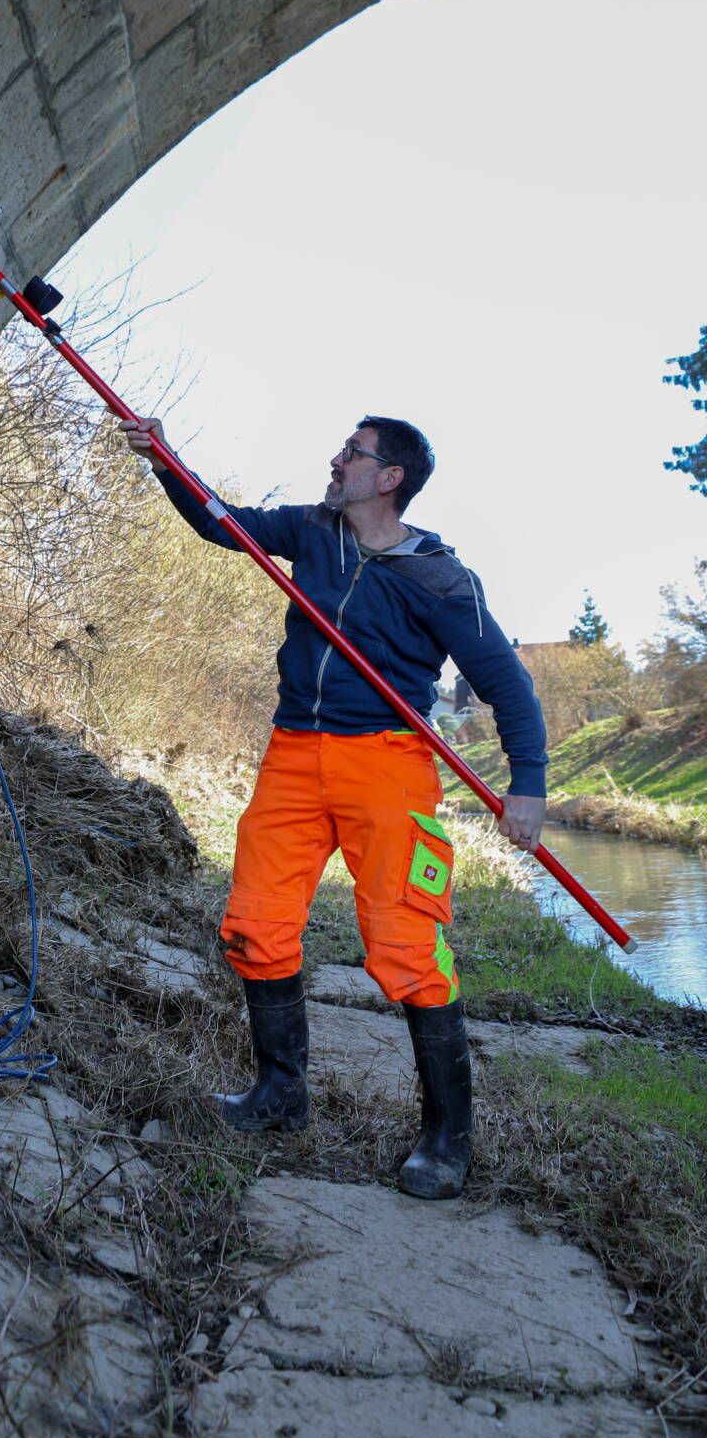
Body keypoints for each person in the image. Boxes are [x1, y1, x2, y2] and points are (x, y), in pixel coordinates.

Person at [121, 413, 547, 1199]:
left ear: (390, 478)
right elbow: (224, 523)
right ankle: (280, 1095)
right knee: (256, 924)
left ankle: (447, 1139)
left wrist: (528, 785)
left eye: (353, 452)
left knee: (410, 948)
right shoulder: (313, 530)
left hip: (386, 767)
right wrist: (164, 462)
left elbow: (505, 683)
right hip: (292, 757)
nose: (336, 458)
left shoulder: (440, 577)